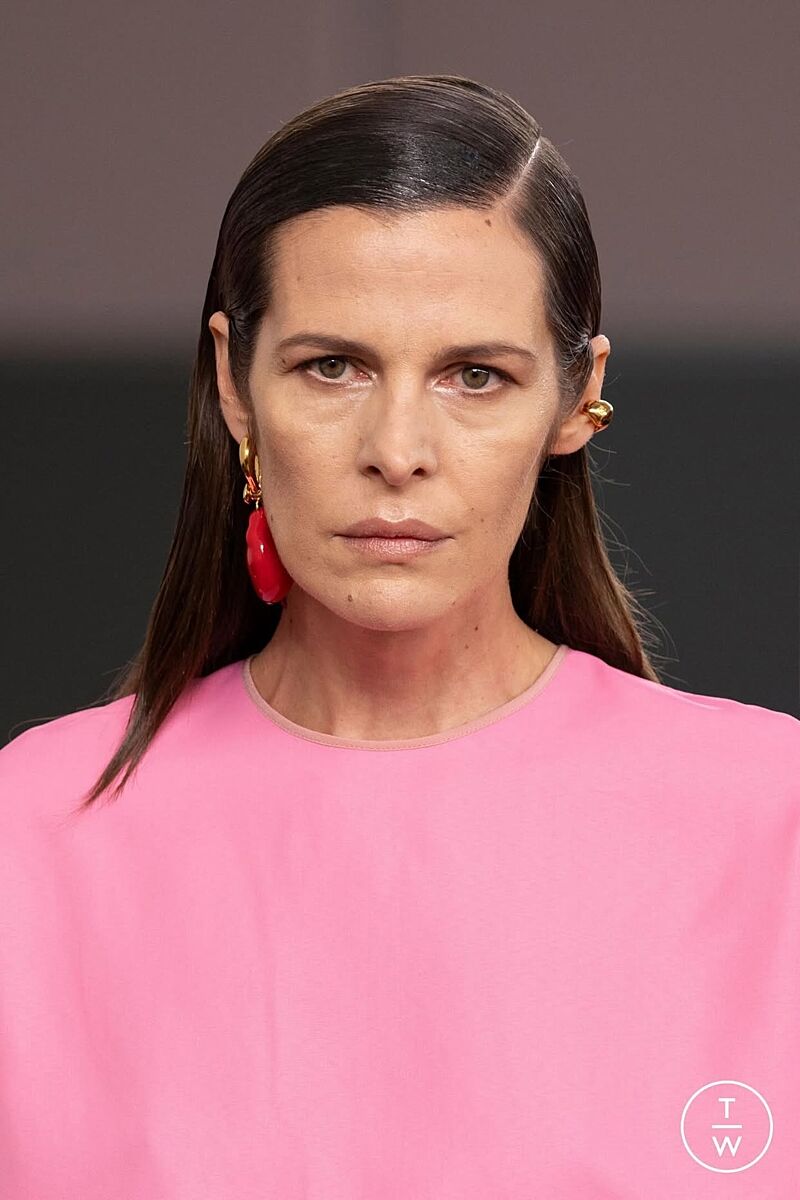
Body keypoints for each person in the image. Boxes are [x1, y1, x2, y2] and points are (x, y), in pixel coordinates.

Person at [1, 74, 798, 1199]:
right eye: (332, 366)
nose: (397, 449)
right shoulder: (33, 835)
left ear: (578, 397)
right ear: (233, 381)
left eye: (475, 376)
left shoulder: (774, 823)